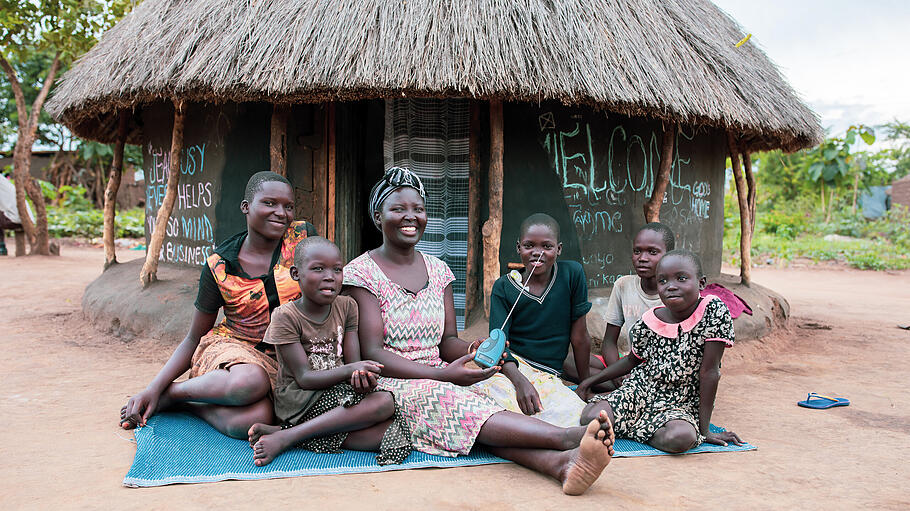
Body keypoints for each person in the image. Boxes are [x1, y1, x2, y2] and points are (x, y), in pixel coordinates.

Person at [344, 167, 614, 495]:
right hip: (393, 381)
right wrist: (443, 376)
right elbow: (373, 353)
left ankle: (561, 464)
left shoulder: (439, 270)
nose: (410, 217)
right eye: (398, 209)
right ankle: (564, 438)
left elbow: (447, 342)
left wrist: (476, 354)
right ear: (378, 215)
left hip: (440, 369)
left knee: (495, 384)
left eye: (418, 209)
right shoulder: (361, 273)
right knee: (451, 400)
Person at [120, 171, 316, 438]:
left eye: (288, 206)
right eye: (270, 203)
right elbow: (194, 337)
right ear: (246, 207)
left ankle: (186, 404)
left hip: (288, 356)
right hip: (235, 348)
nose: (281, 212)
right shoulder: (219, 265)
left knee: (252, 421)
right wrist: (153, 387)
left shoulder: (302, 238)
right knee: (250, 381)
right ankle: (170, 392)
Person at [246, 236, 410, 466]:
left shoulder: (347, 306)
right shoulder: (285, 316)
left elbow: (352, 366)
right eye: (318, 269)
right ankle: (287, 435)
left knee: (390, 430)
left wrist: (362, 379)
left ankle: (291, 433)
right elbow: (304, 378)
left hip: (338, 394)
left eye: (337, 269)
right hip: (300, 399)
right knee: (383, 404)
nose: (329, 277)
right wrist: (351, 370)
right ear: (296, 274)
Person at [576, 250, 744, 453]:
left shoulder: (713, 312)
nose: (671, 286)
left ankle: (627, 429)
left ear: (701, 283)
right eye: (663, 281)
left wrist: (705, 430)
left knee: (681, 438)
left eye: (681, 278)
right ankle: (642, 429)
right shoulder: (650, 319)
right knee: (590, 416)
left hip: (680, 403)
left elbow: (709, 373)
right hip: (640, 391)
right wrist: (589, 382)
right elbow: (632, 360)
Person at [473, 213, 589, 427]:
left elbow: (580, 337)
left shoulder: (572, 274)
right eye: (529, 246)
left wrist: (585, 383)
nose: (538, 253)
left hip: (549, 374)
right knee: (485, 403)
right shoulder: (504, 287)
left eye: (547, 246)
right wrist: (520, 382)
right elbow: (498, 344)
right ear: (518, 248)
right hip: (512, 369)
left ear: (559, 249)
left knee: (577, 416)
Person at [595, 222, 676, 391]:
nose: (642, 258)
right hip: (628, 364)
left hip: (662, 371)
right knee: (570, 361)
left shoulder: (676, 293)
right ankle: (627, 387)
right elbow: (609, 341)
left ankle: (629, 389)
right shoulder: (624, 285)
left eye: (652, 252)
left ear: (669, 255)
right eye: (637, 251)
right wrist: (616, 372)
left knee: (593, 377)